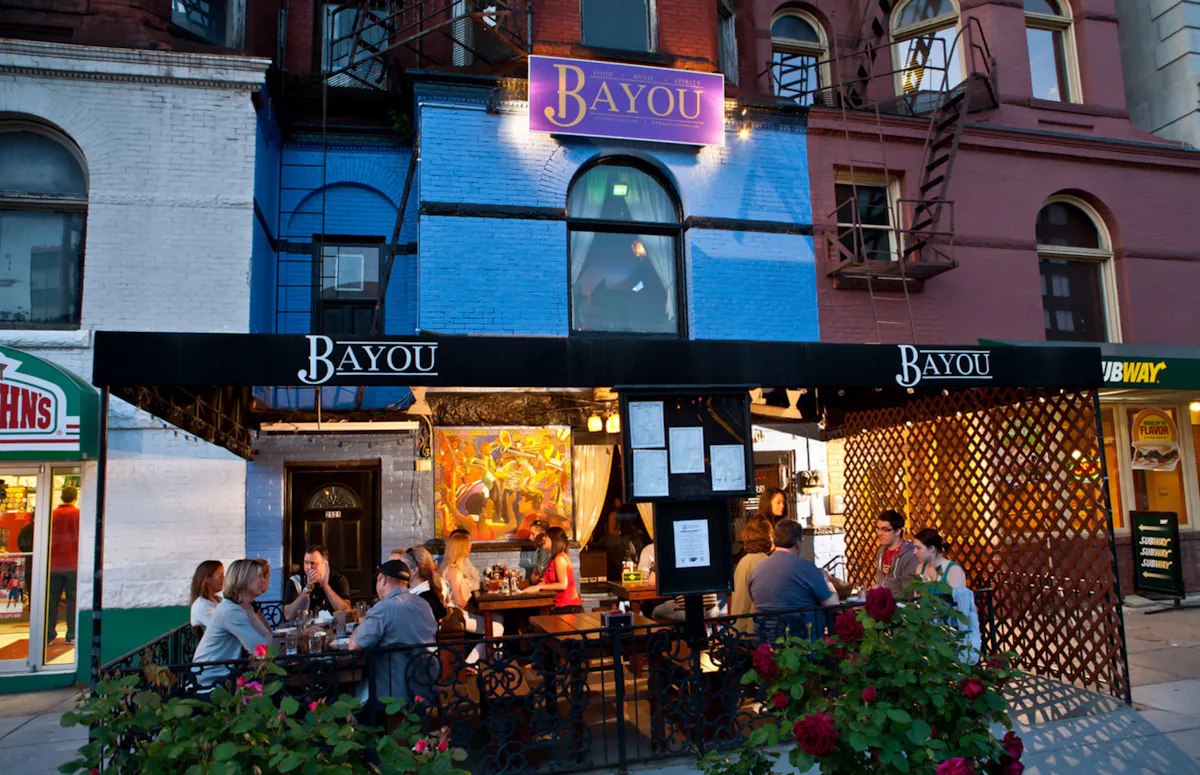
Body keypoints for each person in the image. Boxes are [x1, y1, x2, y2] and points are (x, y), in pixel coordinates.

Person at [350, 559, 438, 704]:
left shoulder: (382, 609)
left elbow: (353, 646)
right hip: (425, 684)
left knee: (352, 689)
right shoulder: (424, 604)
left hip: (392, 691)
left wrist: (359, 626)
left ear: (382, 579)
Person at [748, 520, 838, 642]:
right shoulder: (806, 568)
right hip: (804, 644)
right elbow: (833, 603)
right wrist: (826, 579)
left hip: (767, 643)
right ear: (797, 543)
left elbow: (754, 599)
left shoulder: (756, 569)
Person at [193, 559, 273, 686]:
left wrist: (265, 643)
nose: (263, 581)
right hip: (210, 683)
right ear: (244, 579)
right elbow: (262, 649)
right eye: (259, 576)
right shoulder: (231, 612)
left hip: (227, 676)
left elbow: (267, 637)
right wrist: (265, 643)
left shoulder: (245, 608)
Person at [441, 532, 503, 663]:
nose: (470, 545)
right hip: (457, 615)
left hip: (459, 612)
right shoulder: (454, 571)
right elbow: (459, 601)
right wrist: (478, 611)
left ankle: (495, 658)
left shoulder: (453, 568)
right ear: (461, 547)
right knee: (497, 628)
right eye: (468, 543)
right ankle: (471, 662)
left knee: (498, 617)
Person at [46, 486, 80, 645]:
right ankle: (71, 634)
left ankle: (49, 634)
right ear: (75, 497)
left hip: (52, 564)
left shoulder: (51, 514)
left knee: (52, 599)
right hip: (73, 563)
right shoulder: (78, 514)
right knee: (72, 600)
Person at [283, 544, 352, 622]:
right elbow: (288, 616)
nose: (308, 567)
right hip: (304, 630)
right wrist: (307, 589)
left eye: (313, 563)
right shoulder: (295, 581)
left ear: (325, 565)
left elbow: (347, 611)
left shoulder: (338, 580)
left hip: (333, 628)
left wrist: (325, 586)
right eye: (306, 562)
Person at [524, 527, 582, 614]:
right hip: (560, 605)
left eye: (546, 536)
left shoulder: (559, 558)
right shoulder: (554, 558)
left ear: (554, 540)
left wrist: (541, 587)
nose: (543, 538)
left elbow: (563, 585)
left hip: (567, 607)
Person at [731, 518, 773, 632]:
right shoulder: (763, 562)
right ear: (768, 536)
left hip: (736, 629)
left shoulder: (744, 560)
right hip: (749, 632)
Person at [388, 547, 448, 621]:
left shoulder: (424, 600)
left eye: (403, 566)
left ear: (414, 570)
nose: (400, 569)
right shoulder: (414, 595)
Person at [874, 510, 921, 593]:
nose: (879, 533)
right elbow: (880, 581)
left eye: (885, 529)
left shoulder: (910, 555)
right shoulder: (881, 552)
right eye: (878, 529)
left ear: (898, 531)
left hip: (900, 603)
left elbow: (909, 590)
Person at [190, 560, 225, 629]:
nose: (224, 578)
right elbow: (221, 629)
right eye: (220, 575)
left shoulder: (218, 599)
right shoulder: (202, 605)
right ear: (207, 579)